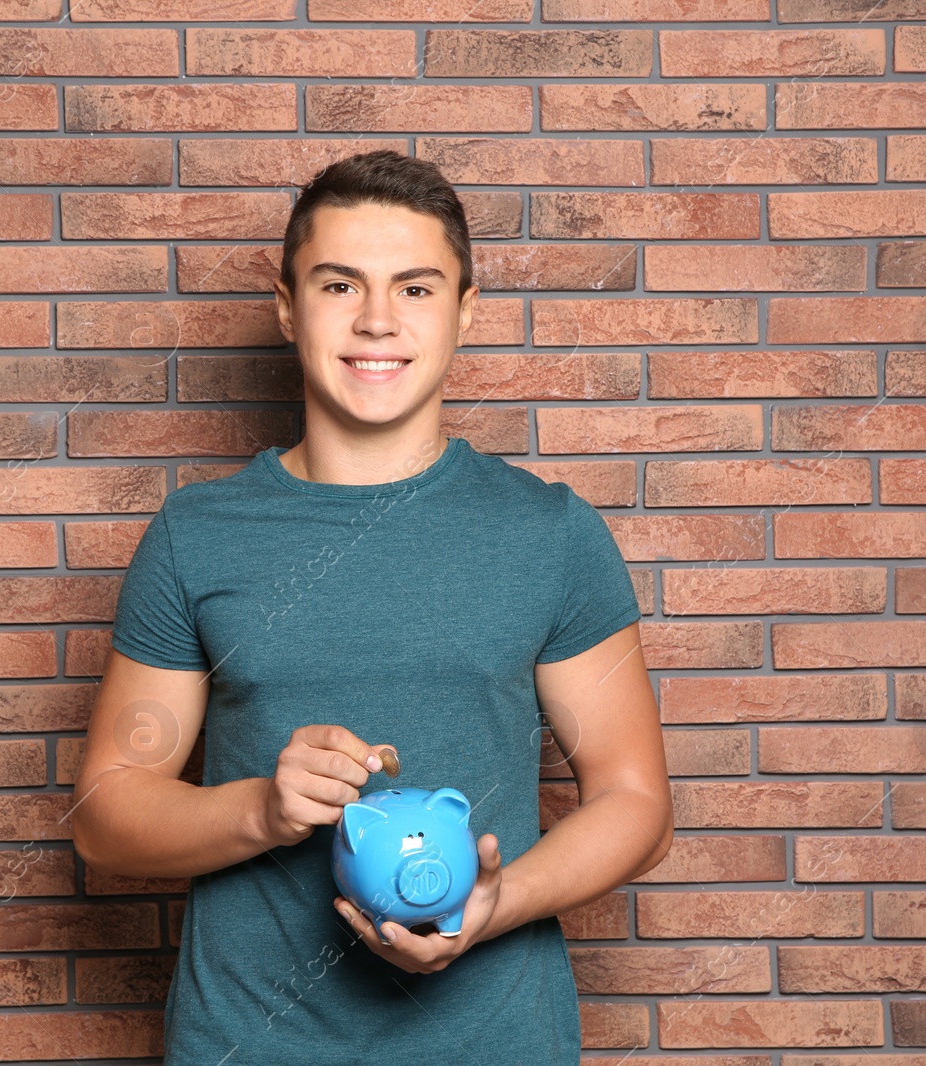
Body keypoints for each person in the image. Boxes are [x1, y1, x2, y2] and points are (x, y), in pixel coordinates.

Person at [71, 149, 673, 1065]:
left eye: (417, 289)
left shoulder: (549, 534)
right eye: (340, 284)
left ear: (465, 313)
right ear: (286, 305)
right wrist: (265, 813)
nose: (378, 320)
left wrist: (490, 907)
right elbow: (106, 815)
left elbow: (635, 802)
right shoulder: (197, 535)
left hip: (496, 1044)